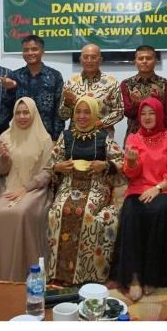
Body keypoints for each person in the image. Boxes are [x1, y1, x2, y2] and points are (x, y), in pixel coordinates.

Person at [112, 97, 167, 301]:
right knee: (131, 212)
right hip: (139, 188)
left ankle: (153, 275)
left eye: (152, 113)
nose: (147, 117)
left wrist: (158, 188)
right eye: (143, 113)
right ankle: (135, 276)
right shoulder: (134, 138)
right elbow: (131, 174)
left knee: (159, 210)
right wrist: (131, 163)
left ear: (159, 115)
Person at [47, 96, 124, 284]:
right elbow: (51, 164)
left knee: (87, 213)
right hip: (69, 184)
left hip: (96, 186)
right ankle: (58, 272)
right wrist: (58, 167)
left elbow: (121, 162)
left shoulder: (103, 137)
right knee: (58, 211)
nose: (82, 116)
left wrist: (105, 165)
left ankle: (87, 273)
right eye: (78, 112)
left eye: (87, 112)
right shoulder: (66, 136)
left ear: (95, 114)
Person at [0, 97, 54, 281]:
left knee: (21, 213)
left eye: (26, 112)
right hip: (7, 186)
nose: (22, 116)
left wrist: (26, 188)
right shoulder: (5, 137)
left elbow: (48, 172)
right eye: (18, 113)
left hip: (35, 190)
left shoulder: (44, 139)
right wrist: (4, 159)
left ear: (33, 113)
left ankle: (24, 274)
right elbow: (0, 171)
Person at [0, 35, 65, 141]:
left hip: (47, 136)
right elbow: (7, 109)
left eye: (34, 49)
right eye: (26, 50)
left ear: (42, 52)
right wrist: (10, 89)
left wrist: (56, 138)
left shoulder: (55, 76)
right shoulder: (15, 76)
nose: (30, 53)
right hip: (20, 137)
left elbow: (59, 109)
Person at [58, 43, 124, 137]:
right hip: (76, 137)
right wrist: (67, 102)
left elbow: (119, 112)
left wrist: (100, 123)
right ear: (80, 60)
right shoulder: (71, 83)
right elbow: (63, 116)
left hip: (103, 136)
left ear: (100, 60)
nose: (89, 60)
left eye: (93, 57)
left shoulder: (111, 83)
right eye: (85, 57)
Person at [121, 45, 167, 140]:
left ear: (155, 61)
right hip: (135, 136)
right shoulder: (126, 84)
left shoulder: (166, 84)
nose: (144, 61)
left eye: (148, 58)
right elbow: (127, 113)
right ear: (135, 61)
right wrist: (135, 104)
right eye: (140, 58)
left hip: (161, 137)